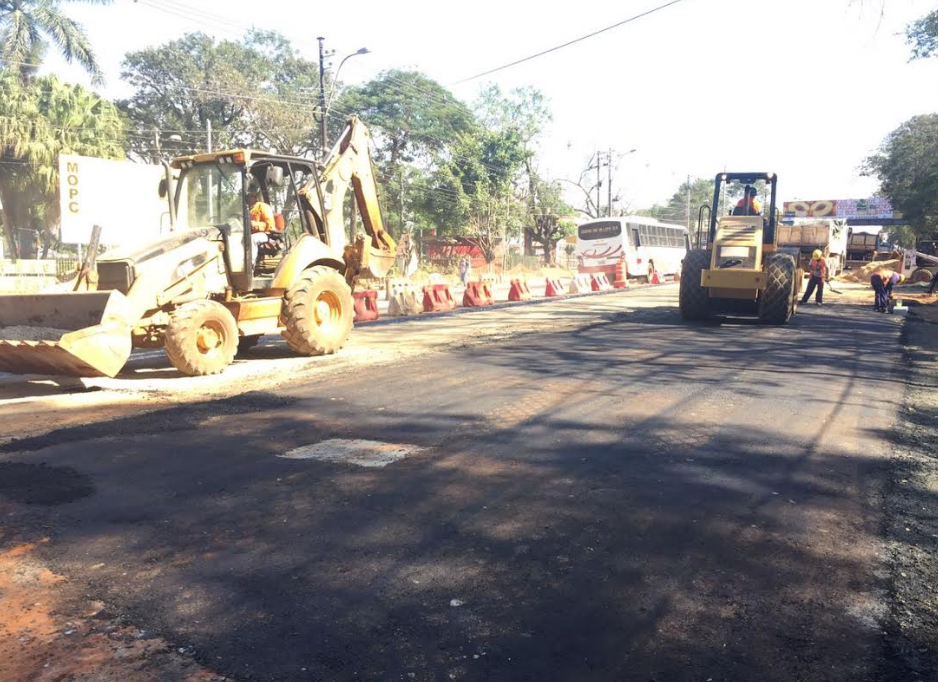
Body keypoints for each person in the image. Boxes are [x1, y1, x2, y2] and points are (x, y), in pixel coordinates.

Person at [248, 189, 275, 264]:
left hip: (265, 234)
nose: (248, 198)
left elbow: (270, 225)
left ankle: (251, 264)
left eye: (251, 196)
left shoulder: (263, 207)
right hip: (251, 233)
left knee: (252, 239)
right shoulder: (249, 209)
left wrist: (256, 224)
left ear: (255, 197)